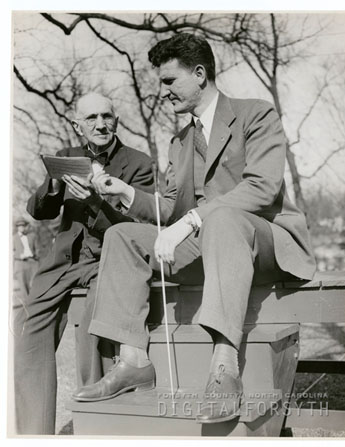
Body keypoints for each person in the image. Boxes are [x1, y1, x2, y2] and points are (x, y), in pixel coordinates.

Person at [73, 34, 316, 424]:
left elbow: (262, 186)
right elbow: (170, 208)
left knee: (221, 218)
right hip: (207, 245)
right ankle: (133, 360)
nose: (163, 92)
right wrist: (123, 192)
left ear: (200, 74)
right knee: (122, 236)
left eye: (169, 81)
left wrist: (190, 221)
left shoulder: (256, 114)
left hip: (264, 240)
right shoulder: (179, 141)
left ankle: (224, 367)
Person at [12, 92, 154, 435]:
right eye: (91, 118)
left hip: (109, 259)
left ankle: (95, 430)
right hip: (63, 263)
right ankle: (34, 434)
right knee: (26, 329)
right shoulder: (66, 156)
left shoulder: (138, 163)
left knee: (93, 333)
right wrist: (55, 183)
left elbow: (134, 230)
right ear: (78, 126)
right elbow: (38, 211)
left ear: (117, 121)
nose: (100, 124)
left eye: (107, 116)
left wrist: (94, 202)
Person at [13, 217, 39, 297]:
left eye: (23, 225)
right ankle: (27, 307)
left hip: (33, 262)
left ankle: (37, 304)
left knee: (36, 284)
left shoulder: (32, 236)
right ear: (17, 227)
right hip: (20, 263)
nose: (22, 227)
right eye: (19, 226)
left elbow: (38, 249)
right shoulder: (13, 238)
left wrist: (36, 257)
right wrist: (19, 256)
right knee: (24, 288)